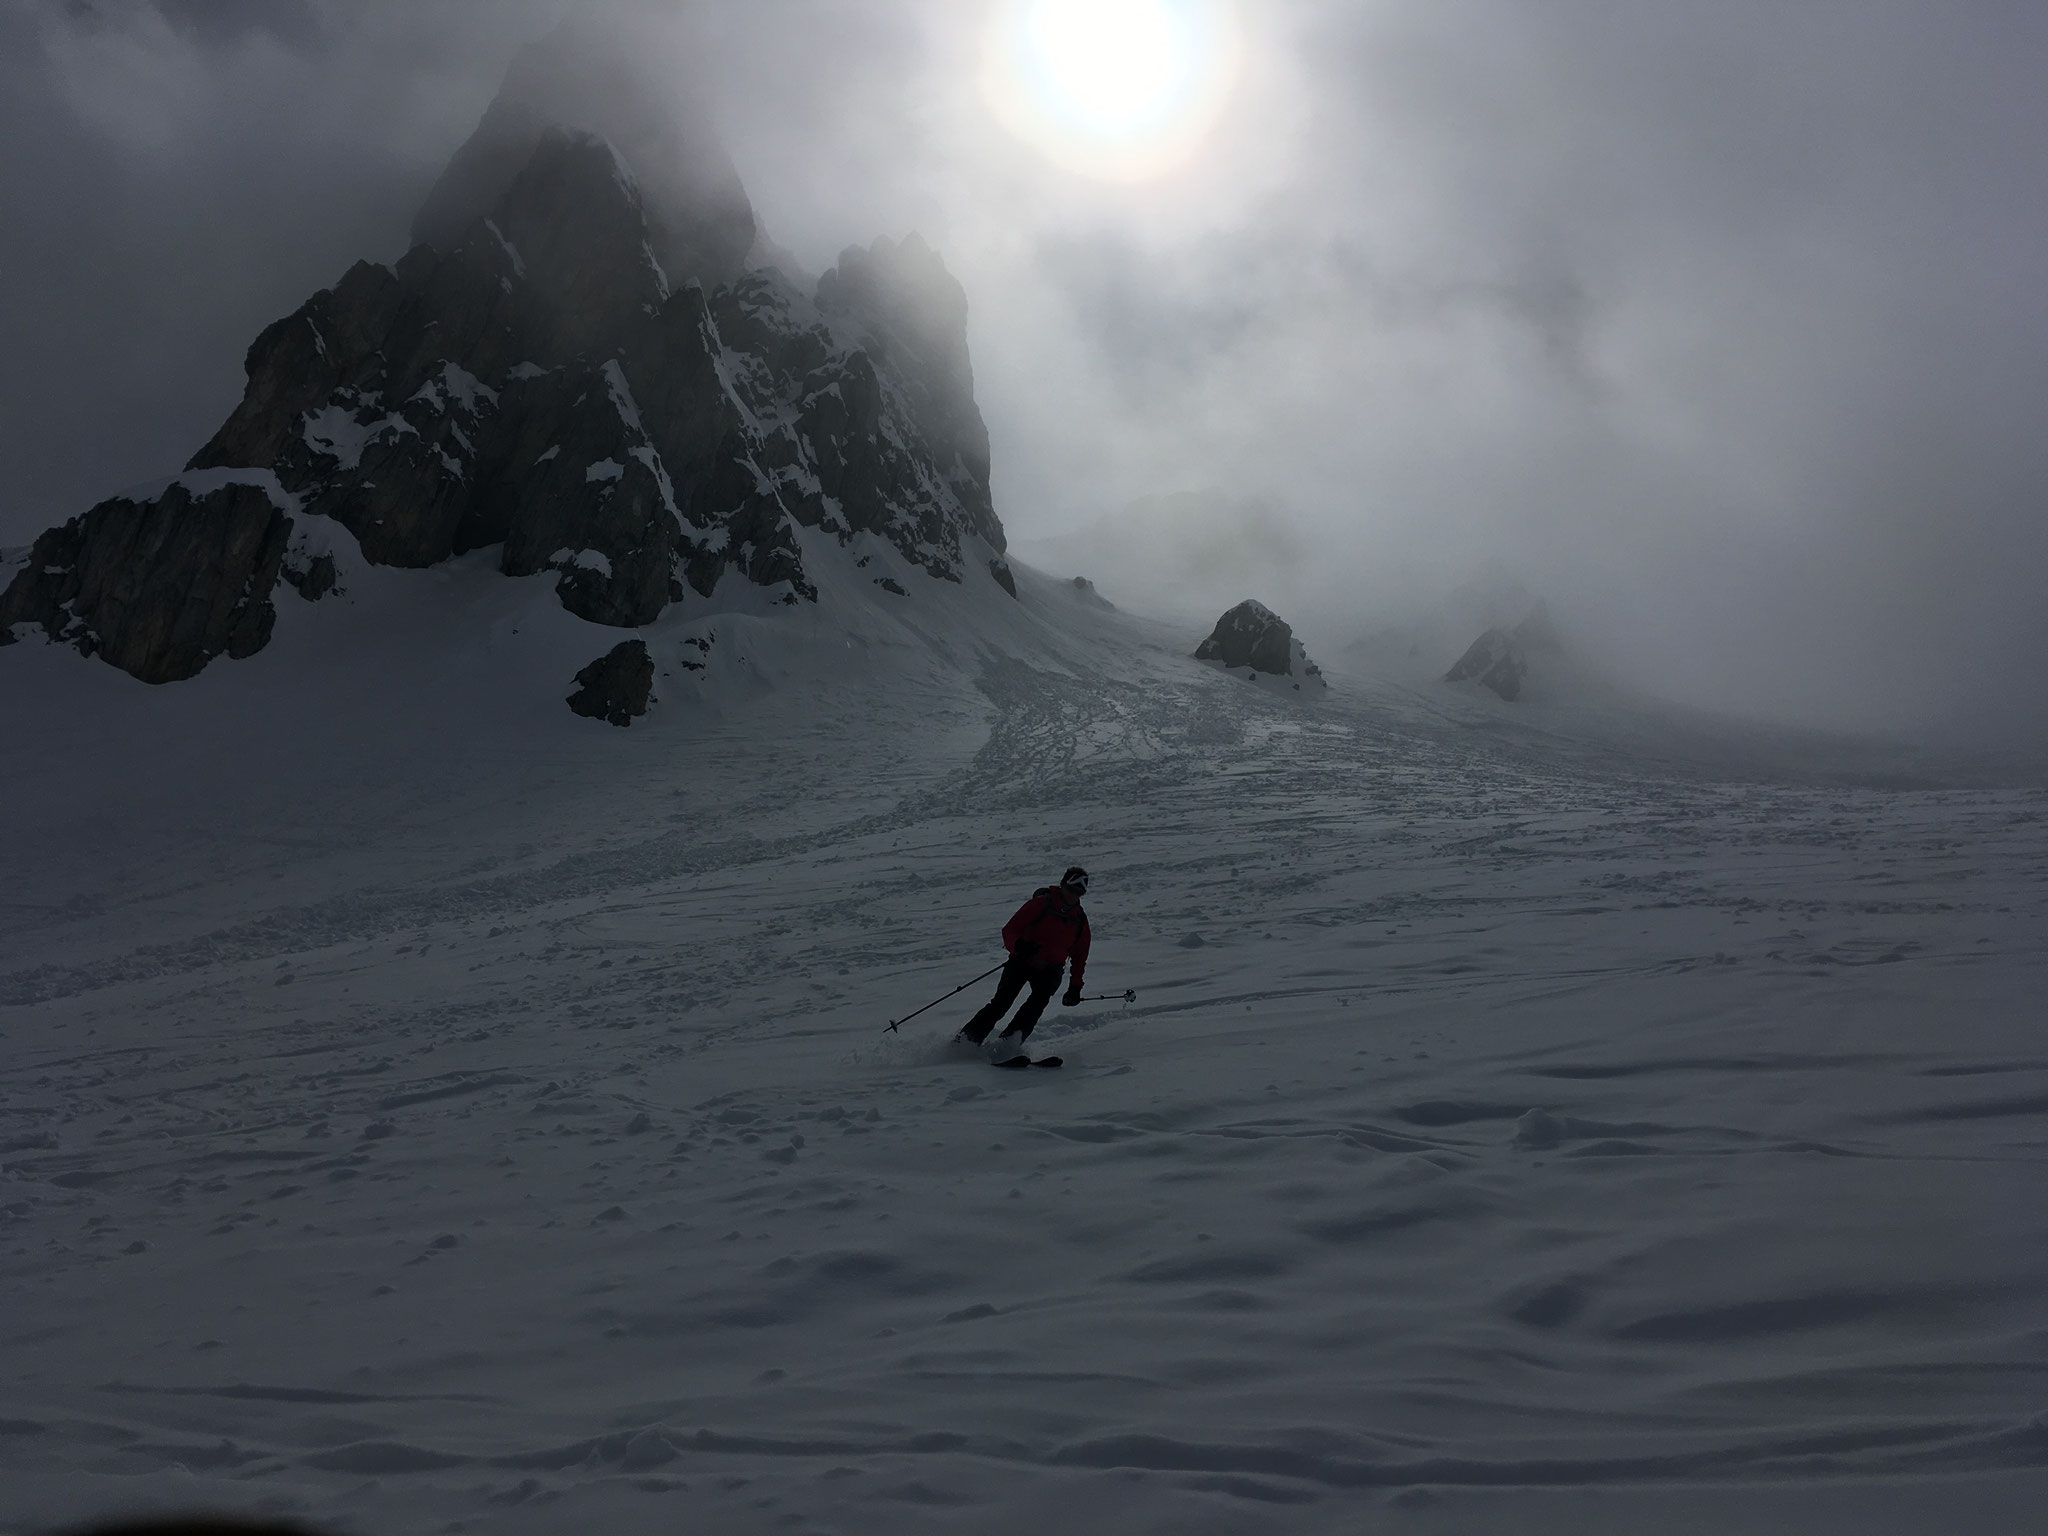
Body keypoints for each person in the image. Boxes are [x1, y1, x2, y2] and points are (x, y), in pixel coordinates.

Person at [957, 867, 1092, 1046]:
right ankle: (966, 1042)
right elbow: (1010, 930)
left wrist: (1075, 987)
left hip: (1051, 971)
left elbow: (1080, 956)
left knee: (1033, 1009)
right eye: (1071, 890)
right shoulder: (1040, 904)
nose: (1073, 896)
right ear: (1062, 885)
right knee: (1000, 1004)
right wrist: (1018, 945)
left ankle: (1007, 1044)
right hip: (1021, 962)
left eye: (1079, 893)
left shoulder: (1080, 920)